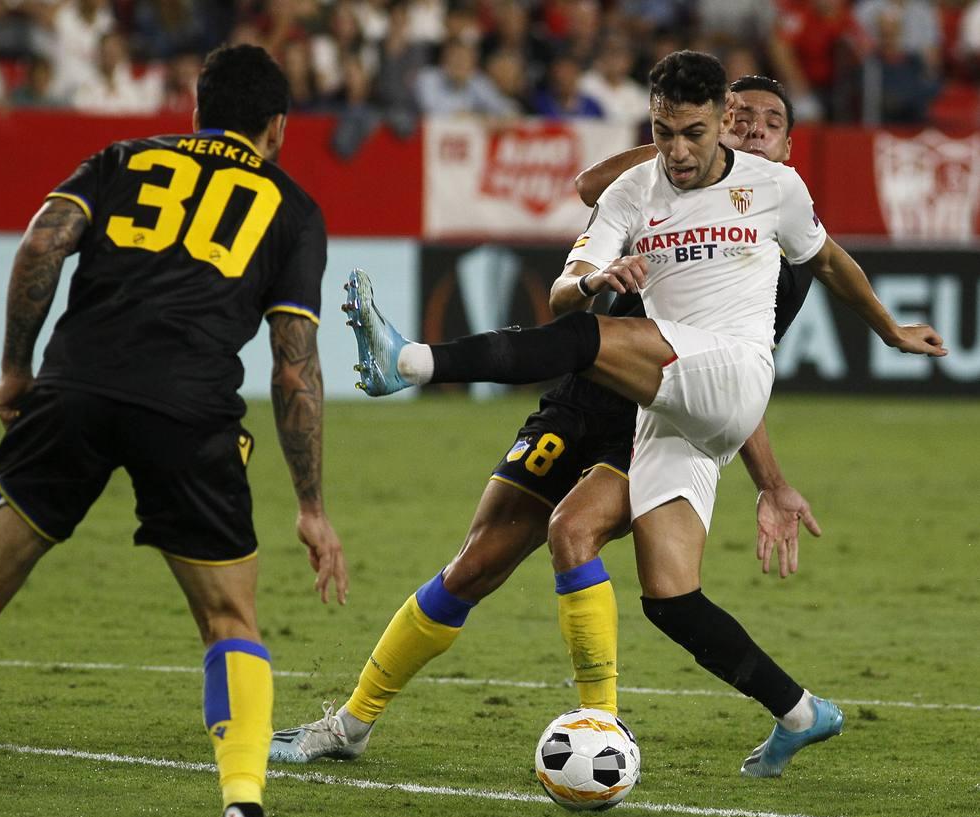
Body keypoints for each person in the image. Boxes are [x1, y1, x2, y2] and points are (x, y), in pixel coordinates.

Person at [340, 51, 946, 777]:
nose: (681, 149)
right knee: (667, 596)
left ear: (748, 132)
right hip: (661, 404)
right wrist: (597, 275)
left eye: (707, 130)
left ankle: (409, 362)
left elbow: (830, 263)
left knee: (585, 348)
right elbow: (571, 274)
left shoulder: (776, 194)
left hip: (716, 376)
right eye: (665, 132)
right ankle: (801, 713)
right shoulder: (637, 188)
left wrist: (887, 329)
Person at [270, 73, 823, 772]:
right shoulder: (656, 183)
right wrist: (612, 250)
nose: (748, 131)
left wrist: (770, 480)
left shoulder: (775, 249)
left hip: (654, 417)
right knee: (474, 563)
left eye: (764, 123)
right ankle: (350, 724)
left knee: (576, 530)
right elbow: (586, 210)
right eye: (737, 118)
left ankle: (602, 729)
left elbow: (733, 383)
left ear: (787, 143)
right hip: (579, 394)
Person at [0, 44, 348, 817]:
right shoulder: (294, 208)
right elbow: (293, 359)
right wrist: (309, 504)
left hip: (74, 391)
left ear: (195, 113)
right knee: (229, 621)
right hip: (188, 413)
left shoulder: (123, 159)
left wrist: (17, 367)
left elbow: (42, 245)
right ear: (276, 130)